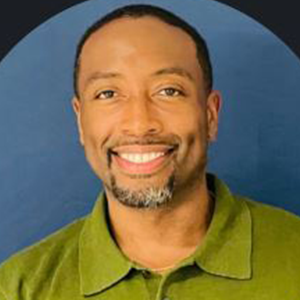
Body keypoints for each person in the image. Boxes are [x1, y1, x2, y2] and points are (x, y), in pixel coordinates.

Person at [0, 4, 300, 299]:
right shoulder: (17, 288)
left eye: (169, 91)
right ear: (80, 121)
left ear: (210, 115)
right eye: (108, 93)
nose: (140, 124)